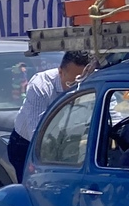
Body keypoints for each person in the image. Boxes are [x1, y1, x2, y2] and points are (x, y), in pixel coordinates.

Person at [9, 50, 91, 180]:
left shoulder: (93, 78)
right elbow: (37, 134)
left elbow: (113, 112)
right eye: (72, 84)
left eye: (83, 82)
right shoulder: (41, 85)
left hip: (71, 143)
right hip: (28, 145)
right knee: (34, 186)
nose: (77, 89)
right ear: (60, 72)